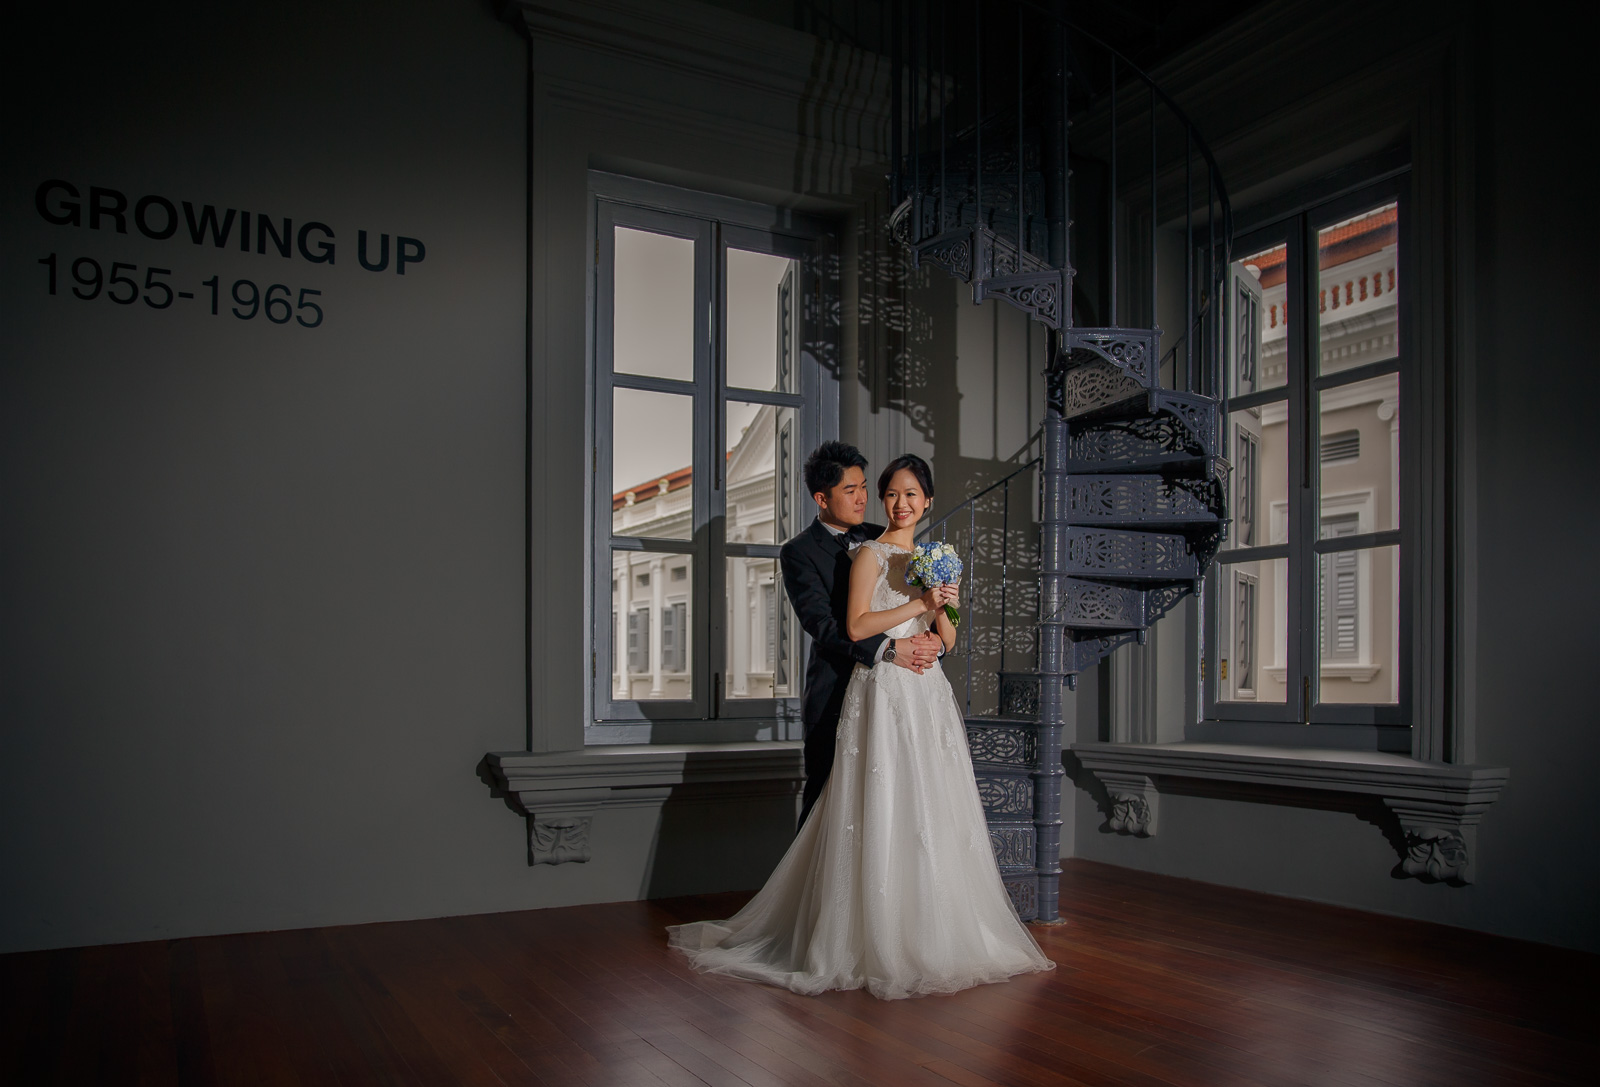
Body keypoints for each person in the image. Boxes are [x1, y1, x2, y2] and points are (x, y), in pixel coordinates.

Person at [667, 453, 1055, 1000]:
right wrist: (894, 645)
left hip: (922, 691)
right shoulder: (811, 552)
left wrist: (936, 630)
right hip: (851, 689)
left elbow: (946, 633)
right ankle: (824, 932)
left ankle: (922, 927)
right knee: (842, 809)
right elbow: (831, 625)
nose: (873, 499)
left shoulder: (896, 542)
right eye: (861, 490)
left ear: (926, 501)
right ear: (822, 497)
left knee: (923, 806)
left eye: (873, 489)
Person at [776, 441, 942, 825]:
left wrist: (932, 642)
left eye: (864, 487)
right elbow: (823, 625)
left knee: (891, 803)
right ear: (821, 498)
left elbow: (920, 604)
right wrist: (889, 649)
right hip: (835, 694)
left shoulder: (885, 537)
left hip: (897, 692)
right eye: (850, 490)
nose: (863, 498)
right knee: (824, 810)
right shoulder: (799, 552)